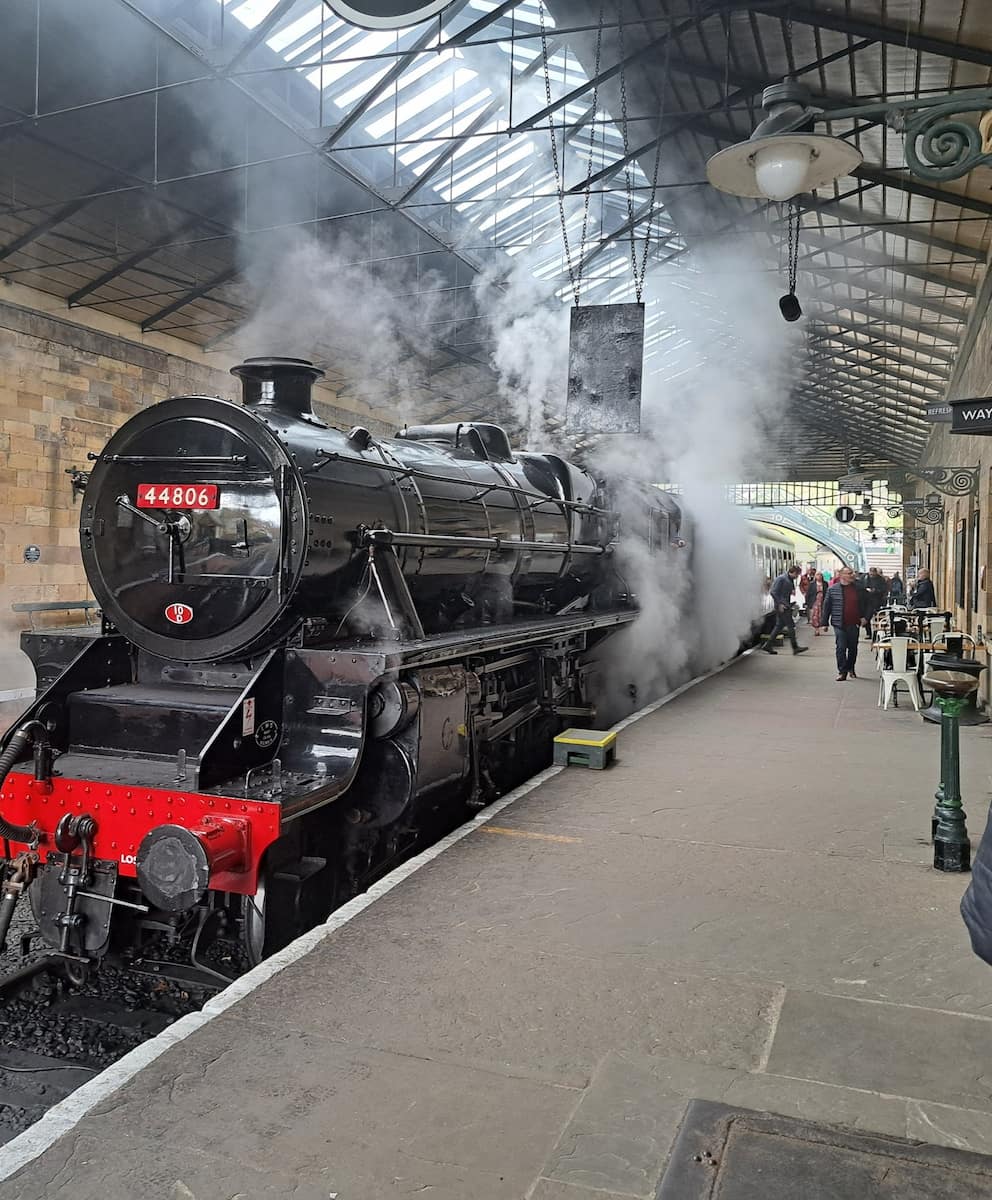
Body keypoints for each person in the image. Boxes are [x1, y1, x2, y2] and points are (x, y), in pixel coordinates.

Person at [820, 565, 867, 681]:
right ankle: (842, 671)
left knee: (852, 648)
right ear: (841, 575)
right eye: (849, 573)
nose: (852, 575)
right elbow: (827, 607)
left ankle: (851, 667)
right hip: (839, 623)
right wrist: (824, 623)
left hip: (854, 623)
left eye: (852, 573)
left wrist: (865, 617)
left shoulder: (859, 588)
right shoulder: (832, 589)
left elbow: (868, 603)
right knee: (841, 647)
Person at [762, 564, 808, 656]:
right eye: (797, 575)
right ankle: (795, 647)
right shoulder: (781, 579)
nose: (797, 577)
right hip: (782, 607)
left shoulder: (788, 579)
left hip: (785, 605)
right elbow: (773, 592)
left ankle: (768, 645)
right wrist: (779, 604)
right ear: (793, 572)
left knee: (779, 626)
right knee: (790, 626)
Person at [863, 567, 889, 637]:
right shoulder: (865, 578)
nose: (871, 574)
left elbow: (884, 589)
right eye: (870, 573)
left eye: (873, 573)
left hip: (878, 601)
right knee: (867, 617)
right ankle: (868, 633)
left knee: (880, 618)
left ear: (875, 572)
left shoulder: (881, 579)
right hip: (868, 601)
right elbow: (862, 587)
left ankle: (879, 633)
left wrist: (876, 590)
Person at [805, 571, 828, 636]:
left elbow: (828, 593)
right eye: (817, 575)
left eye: (820, 575)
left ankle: (824, 625)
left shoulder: (825, 584)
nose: (819, 576)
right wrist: (807, 603)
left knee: (823, 614)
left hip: (823, 601)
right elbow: (808, 594)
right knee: (815, 615)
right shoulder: (812, 584)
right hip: (815, 601)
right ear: (815, 576)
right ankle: (816, 629)